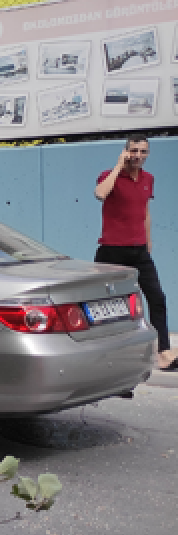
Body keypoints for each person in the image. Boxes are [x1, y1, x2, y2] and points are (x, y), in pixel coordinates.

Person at [94, 134, 174, 370]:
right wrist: (119, 166)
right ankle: (104, 358)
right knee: (106, 306)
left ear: (147, 154)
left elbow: (145, 212)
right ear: (126, 151)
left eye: (143, 152)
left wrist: (148, 243)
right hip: (111, 252)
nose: (138, 156)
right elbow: (100, 194)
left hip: (139, 251)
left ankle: (163, 353)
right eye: (134, 151)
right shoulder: (110, 176)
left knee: (157, 298)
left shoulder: (149, 179)